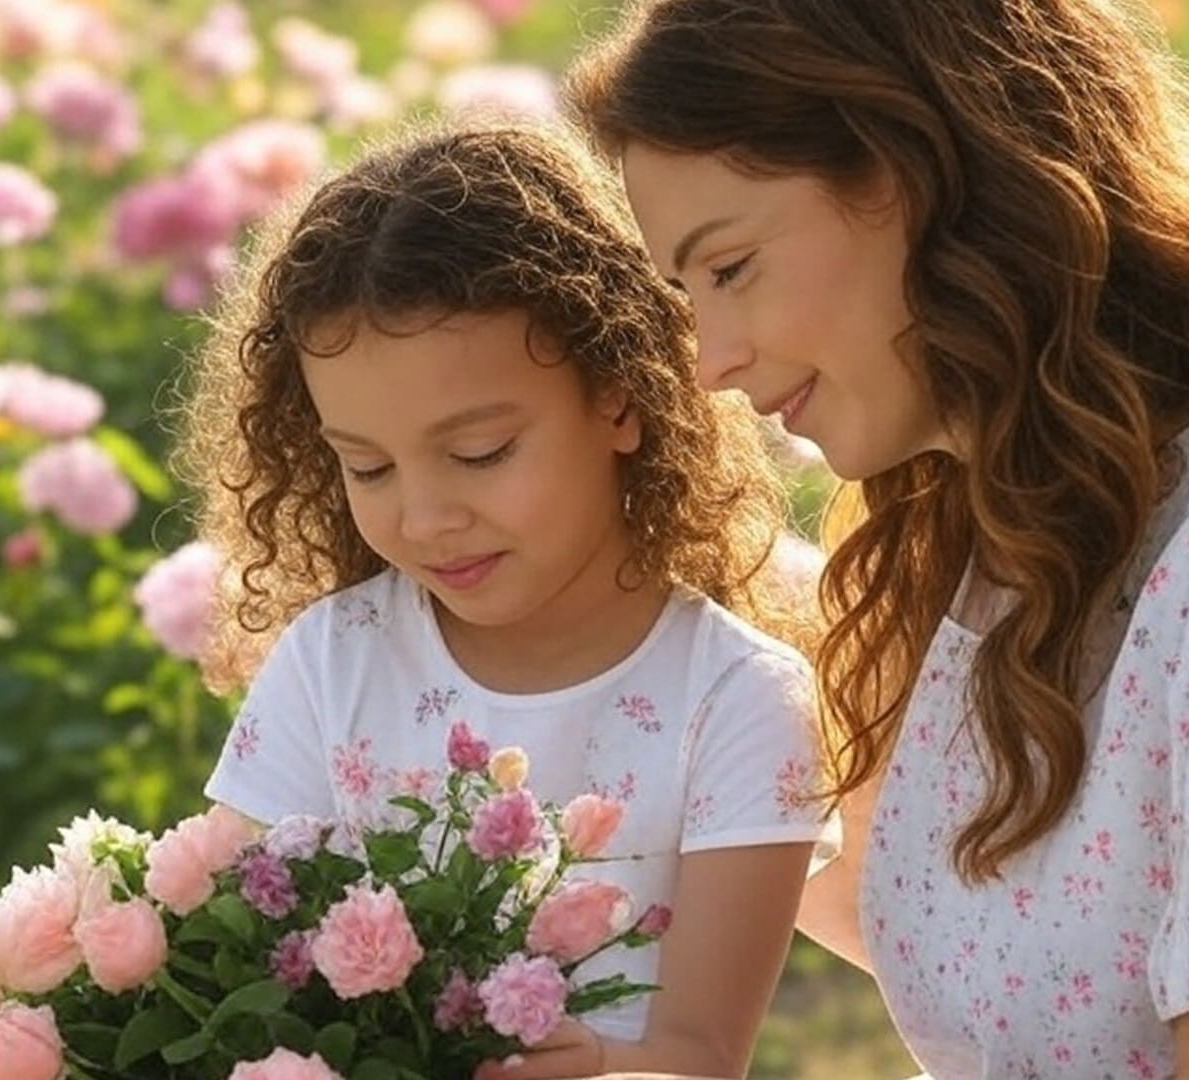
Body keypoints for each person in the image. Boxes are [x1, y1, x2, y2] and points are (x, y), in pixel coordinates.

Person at [566, 1, 1189, 1077]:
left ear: (922, 174)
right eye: (686, 295)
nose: (712, 361)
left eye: (730, 268)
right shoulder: (1011, 543)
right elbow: (998, 969)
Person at [178, 121, 829, 1079]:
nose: (426, 518)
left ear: (618, 397)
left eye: (480, 453)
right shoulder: (333, 661)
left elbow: (699, 1054)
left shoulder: (737, 699)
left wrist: (590, 1061)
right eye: (367, 467)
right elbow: (234, 958)